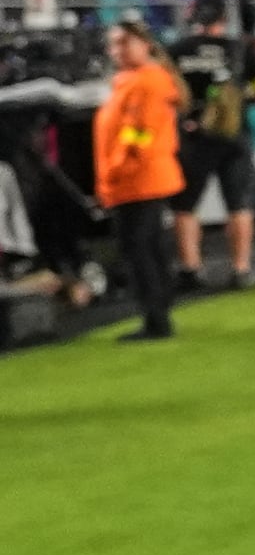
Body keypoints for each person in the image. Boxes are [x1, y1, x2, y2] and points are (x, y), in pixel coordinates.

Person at [94, 21, 185, 342]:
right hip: (140, 177)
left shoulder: (146, 82)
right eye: (114, 44)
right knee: (150, 247)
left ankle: (156, 319)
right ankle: (159, 312)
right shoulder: (133, 81)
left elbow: (140, 133)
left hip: (138, 179)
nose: (118, 50)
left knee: (138, 250)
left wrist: (118, 169)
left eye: (125, 42)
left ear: (145, 44)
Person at [172, 31, 255, 292]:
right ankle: (241, 269)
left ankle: (190, 270)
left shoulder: (179, 48)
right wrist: (247, 94)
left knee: (185, 205)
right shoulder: (237, 47)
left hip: (195, 136)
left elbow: (171, 92)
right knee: (239, 204)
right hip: (234, 135)